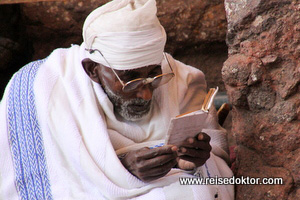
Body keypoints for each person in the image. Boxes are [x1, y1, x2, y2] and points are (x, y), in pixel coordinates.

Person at [0, 0, 234, 199]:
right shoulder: (41, 87)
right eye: (129, 80)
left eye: (153, 74)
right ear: (92, 70)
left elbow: (216, 164)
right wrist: (121, 167)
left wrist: (197, 161)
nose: (146, 94)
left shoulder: (183, 79)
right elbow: (44, 180)